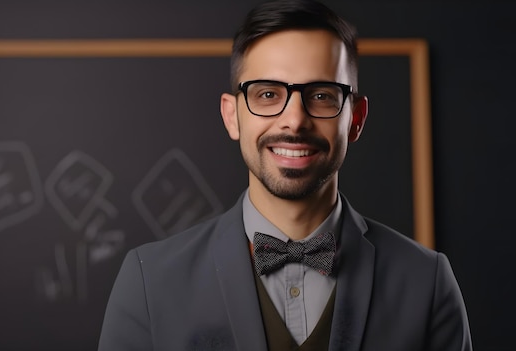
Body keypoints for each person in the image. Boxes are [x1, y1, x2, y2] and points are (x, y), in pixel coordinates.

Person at [98, 0, 473, 350]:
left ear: (355, 119)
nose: (294, 121)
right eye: (267, 95)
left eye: (322, 95)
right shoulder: (149, 282)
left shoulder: (428, 283)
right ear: (232, 116)